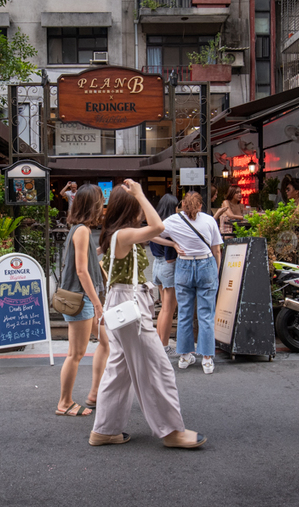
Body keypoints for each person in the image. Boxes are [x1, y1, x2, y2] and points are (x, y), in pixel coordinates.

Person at [88, 179, 206, 448]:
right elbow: (158, 226)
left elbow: (153, 232)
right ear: (131, 208)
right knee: (157, 367)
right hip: (129, 304)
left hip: (121, 303)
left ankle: (105, 430)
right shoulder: (124, 235)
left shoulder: (118, 233)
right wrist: (141, 194)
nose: (142, 211)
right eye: (138, 207)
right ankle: (171, 431)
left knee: (120, 369)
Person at [55, 184, 109, 417]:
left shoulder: (79, 229)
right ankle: (64, 402)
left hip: (84, 298)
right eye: (100, 201)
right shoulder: (82, 231)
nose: (103, 205)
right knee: (75, 354)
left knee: (107, 343)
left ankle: (96, 393)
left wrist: (100, 252)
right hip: (82, 299)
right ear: (93, 205)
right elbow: (81, 271)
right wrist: (97, 304)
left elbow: (84, 259)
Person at [161, 191, 223, 375]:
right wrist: (216, 272)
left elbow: (152, 233)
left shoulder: (173, 220)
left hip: (184, 265)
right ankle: (206, 359)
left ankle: (184, 356)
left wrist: (172, 244)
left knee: (184, 313)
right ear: (200, 205)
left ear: (182, 205)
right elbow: (216, 250)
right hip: (206, 264)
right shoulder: (209, 220)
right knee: (205, 314)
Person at [148, 194, 182, 356]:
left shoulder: (155, 222)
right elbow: (170, 258)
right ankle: (164, 345)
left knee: (164, 308)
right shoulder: (171, 224)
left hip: (157, 265)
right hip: (168, 267)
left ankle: (160, 344)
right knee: (169, 308)